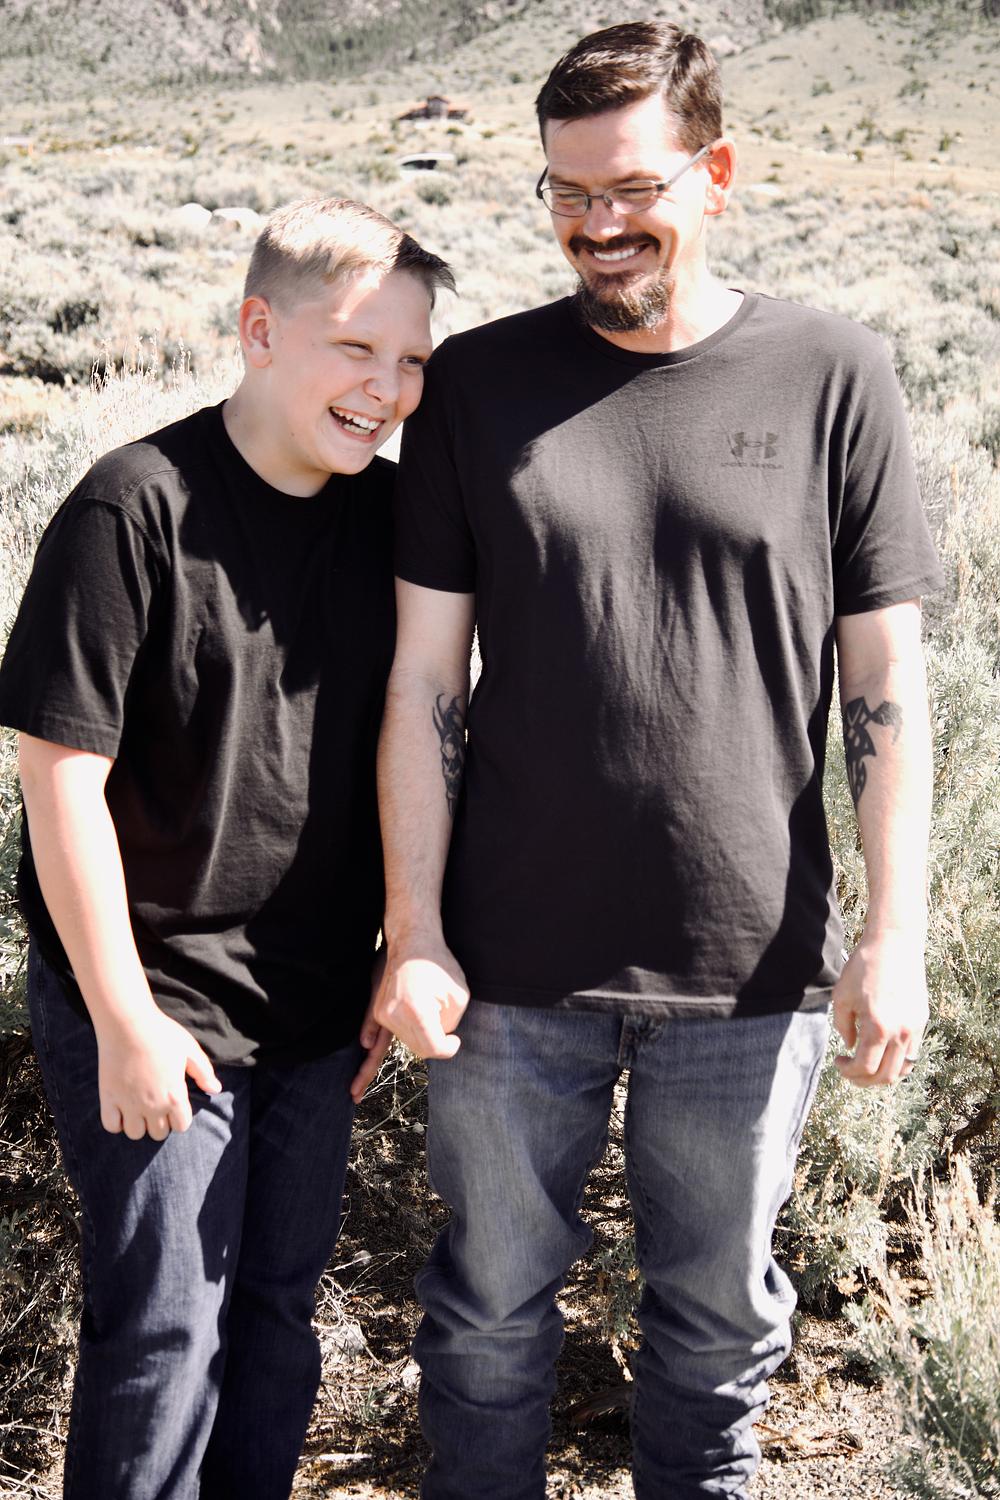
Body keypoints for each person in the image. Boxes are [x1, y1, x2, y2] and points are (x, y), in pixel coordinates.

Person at [373, 21, 942, 1500]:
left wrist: (893, 935)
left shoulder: (834, 373)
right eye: (568, 192)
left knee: (716, 1329)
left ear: (717, 172)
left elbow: (884, 681)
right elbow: (424, 680)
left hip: (747, 958)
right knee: (486, 1319)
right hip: (507, 964)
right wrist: (416, 930)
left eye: (631, 187)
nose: (597, 224)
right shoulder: (479, 385)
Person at [0, 197, 452, 1500]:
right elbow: (60, 779)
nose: (385, 390)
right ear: (259, 330)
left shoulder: (395, 523)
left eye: (411, 361)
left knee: (273, 1325)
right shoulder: (132, 508)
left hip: (313, 1011)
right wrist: (124, 1021)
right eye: (355, 348)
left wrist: (401, 945)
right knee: (163, 1339)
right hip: (152, 1004)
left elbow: (422, 732)